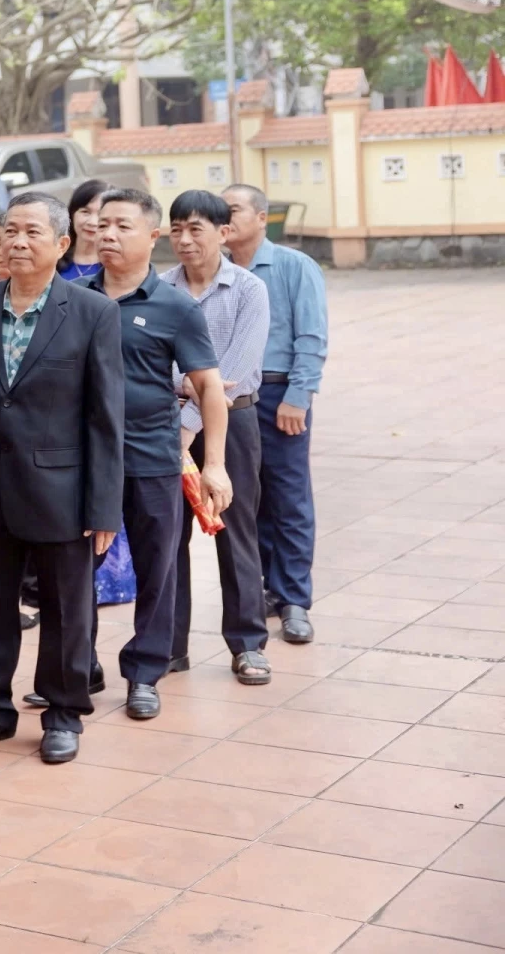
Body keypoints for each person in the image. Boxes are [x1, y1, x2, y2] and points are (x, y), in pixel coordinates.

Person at [0, 193, 124, 765]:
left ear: (62, 244)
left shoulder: (92, 312)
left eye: (31, 233)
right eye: (8, 231)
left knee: (68, 608)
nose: (17, 242)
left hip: (61, 490)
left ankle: (64, 712)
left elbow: (104, 417)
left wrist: (104, 510)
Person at [88, 189, 231, 723]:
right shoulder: (73, 298)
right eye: (101, 225)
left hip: (153, 458)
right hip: (86, 462)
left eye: (122, 225)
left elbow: (210, 388)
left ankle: (145, 673)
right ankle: (79, 666)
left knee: (158, 569)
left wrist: (212, 463)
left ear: (152, 236)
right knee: (76, 570)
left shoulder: (175, 307)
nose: (107, 234)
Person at [161, 193, 273, 686]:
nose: (185, 240)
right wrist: (190, 391)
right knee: (167, 537)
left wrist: (189, 420)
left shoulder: (248, 289)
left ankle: (248, 644)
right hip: (167, 424)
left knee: (237, 531)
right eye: (177, 229)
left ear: (223, 233)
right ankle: (169, 646)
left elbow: (237, 368)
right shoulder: (159, 289)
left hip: (234, 424)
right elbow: (154, 363)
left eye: (196, 229)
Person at [224, 184, 328, 646]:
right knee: (246, 497)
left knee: (288, 497)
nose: (226, 218)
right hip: (226, 399)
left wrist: (299, 394)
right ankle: (262, 589)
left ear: (262, 217)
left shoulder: (292, 266)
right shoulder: (217, 270)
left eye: (235, 210)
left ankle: (294, 599)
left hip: (278, 392)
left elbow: (312, 335)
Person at [58, 179, 111, 281]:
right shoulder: (53, 258)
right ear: (72, 213)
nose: (92, 222)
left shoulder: (116, 266)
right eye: (85, 212)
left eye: (101, 214)